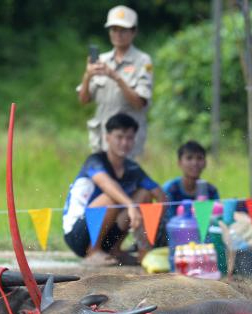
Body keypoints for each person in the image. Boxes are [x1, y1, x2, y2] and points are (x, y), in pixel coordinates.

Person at [62, 113, 167, 266]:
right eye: (119, 137)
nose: (124, 142)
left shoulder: (133, 168)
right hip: (77, 235)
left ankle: (115, 250)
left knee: (144, 194)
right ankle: (93, 251)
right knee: (111, 198)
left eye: (129, 138)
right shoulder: (95, 161)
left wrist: (150, 230)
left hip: (108, 233)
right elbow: (106, 184)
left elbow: (160, 196)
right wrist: (131, 206)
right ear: (107, 137)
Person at [77, 5, 153, 157]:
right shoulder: (102, 60)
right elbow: (83, 100)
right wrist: (87, 76)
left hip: (128, 141)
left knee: (126, 180)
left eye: (123, 30)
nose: (118, 34)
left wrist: (116, 77)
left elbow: (139, 103)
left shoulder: (143, 61)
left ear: (134, 32)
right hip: (102, 139)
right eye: (114, 30)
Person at [162, 140, 220, 218]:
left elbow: (217, 218)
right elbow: (169, 220)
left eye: (199, 158)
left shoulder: (211, 191)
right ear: (179, 163)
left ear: (205, 163)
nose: (195, 163)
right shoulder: (170, 189)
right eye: (189, 158)